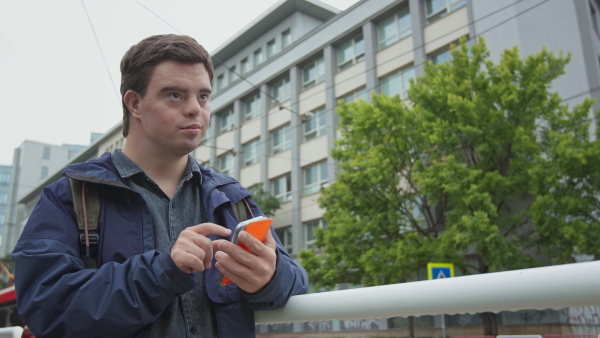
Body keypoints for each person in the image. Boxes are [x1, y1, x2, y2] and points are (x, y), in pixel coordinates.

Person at [11, 34, 308, 338]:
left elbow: (297, 282)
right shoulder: (73, 195)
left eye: (203, 96)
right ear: (135, 103)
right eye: (175, 95)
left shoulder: (231, 196)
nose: (195, 109)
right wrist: (162, 270)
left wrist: (270, 278)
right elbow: (44, 305)